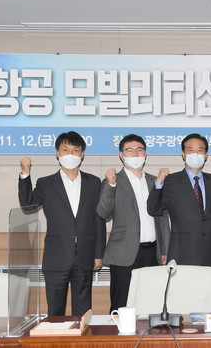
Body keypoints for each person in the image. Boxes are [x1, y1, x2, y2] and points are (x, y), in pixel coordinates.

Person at [18, 131, 105, 316]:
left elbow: (98, 219)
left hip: (85, 256)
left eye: (75, 150)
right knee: (55, 312)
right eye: (65, 150)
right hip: (56, 257)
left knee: (83, 312)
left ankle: (81, 336)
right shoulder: (46, 183)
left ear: (82, 154)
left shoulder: (94, 183)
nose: (70, 154)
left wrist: (99, 253)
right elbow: (28, 206)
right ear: (57, 153)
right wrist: (25, 173)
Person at [96, 134, 171, 313]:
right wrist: (111, 186)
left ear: (145, 154)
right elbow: (103, 213)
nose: (135, 154)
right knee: (121, 304)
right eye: (129, 150)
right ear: (121, 155)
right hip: (124, 254)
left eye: (139, 150)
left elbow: (162, 218)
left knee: (151, 304)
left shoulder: (155, 182)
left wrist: (165, 250)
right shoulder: (112, 181)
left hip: (152, 253)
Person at [147, 133, 211, 266]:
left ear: (206, 155)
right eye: (190, 150)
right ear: (183, 155)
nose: (195, 154)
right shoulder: (171, 181)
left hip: (210, 253)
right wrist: (159, 182)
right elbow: (154, 209)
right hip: (182, 253)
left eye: (200, 150)